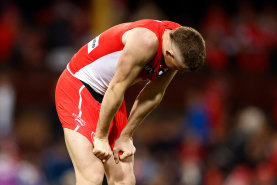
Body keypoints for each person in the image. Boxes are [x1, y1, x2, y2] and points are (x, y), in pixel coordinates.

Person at [55, 19, 206, 185]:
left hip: (110, 96)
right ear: (169, 53)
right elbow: (116, 87)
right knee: (92, 176)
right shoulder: (145, 41)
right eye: (179, 67)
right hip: (78, 87)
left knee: (124, 180)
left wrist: (126, 136)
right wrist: (101, 138)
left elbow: (154, 94)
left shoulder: (178, 39)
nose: (177, 71)